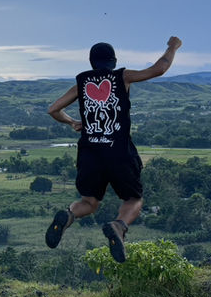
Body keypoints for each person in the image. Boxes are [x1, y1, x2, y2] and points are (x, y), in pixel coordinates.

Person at [45, 36, 182, 261]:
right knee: (133, 199)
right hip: (119, 152)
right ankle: (119, 226)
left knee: (88, 202)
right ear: (114, 61)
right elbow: (159, 69)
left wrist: (72, 122)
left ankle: (68, 216)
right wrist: (172, 46)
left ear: (91, 62)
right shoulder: (122, 77)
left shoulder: (82, 82)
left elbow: (53, 109)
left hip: (90, 153)